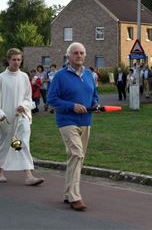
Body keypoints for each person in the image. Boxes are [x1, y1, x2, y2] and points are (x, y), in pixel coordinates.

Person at [47, 42, 99, 211]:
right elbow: (51, 100)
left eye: (82, 53)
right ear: (68, 56)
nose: (79, 56)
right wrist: (72, 106)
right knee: (77, 153)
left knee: (76, 158)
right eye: (75, 53)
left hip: (85, 121)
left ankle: (68, 192)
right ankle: (75, 197)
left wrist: (95, 104)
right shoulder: (60, 76)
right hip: (67, 120)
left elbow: (94, 95)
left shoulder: (90, 74)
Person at [0, 48, 44, 186]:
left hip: (21, 117)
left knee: (22, 144)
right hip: (6, 119)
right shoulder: (1, 78)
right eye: (14, 60)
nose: (16, 62)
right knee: (6, 144)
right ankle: (0, 171)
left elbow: (28, 98)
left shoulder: (23, 77)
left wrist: (24, 105)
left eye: (19, 60)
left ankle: (29, 175)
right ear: (8, 60)